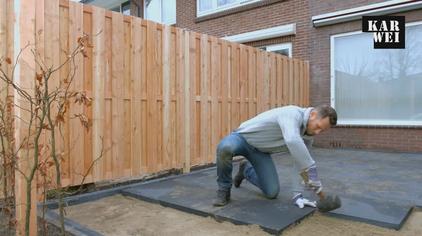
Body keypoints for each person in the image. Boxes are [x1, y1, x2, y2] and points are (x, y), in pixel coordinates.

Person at [213, 105, 337, 208]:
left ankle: (246, 170)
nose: (317, 132)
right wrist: (313, 175)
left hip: (260, 151)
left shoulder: (307, 138)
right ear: (313, 114)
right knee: (226, 147)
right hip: (243, 138)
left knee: (272, 192)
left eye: (322, 131)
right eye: (318, 127)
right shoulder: (292, 114)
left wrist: (297, 194)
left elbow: (300, 164)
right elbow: (292, 140)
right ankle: (224, 190)